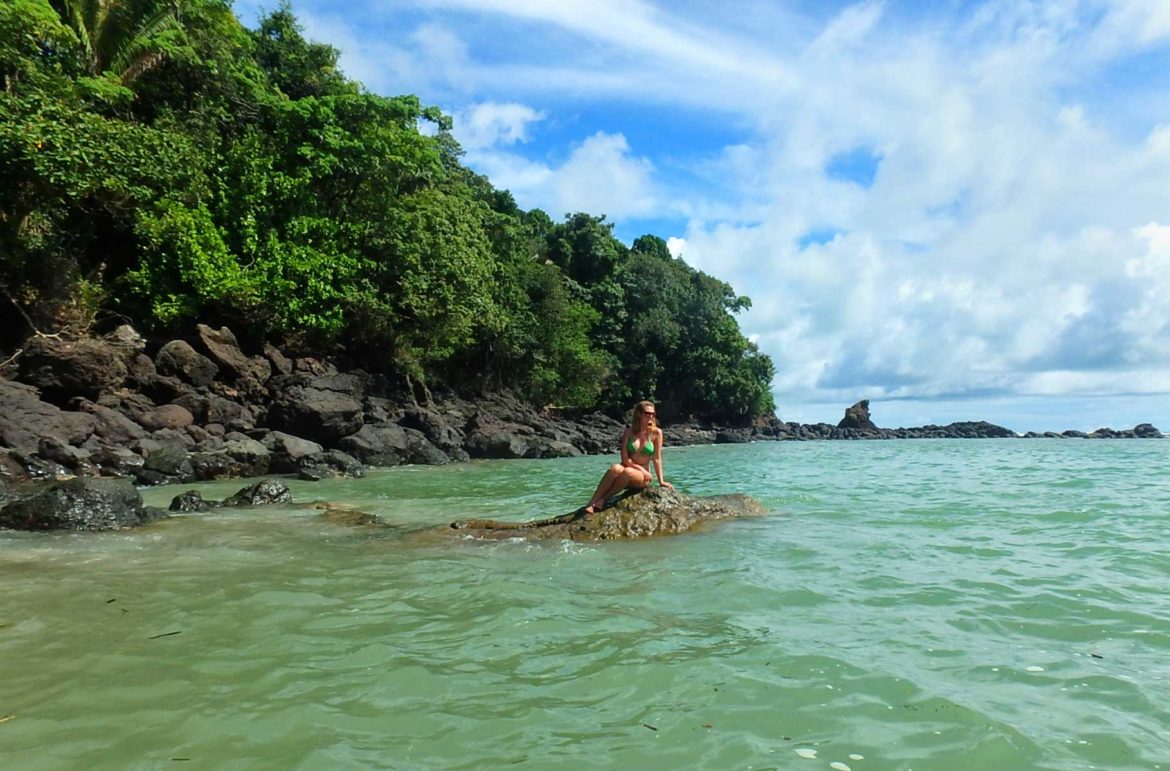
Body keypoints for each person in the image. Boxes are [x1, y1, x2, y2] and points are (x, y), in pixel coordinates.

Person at [584, 400, 674, 513]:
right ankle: (592, 501)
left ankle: (603, 499)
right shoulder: (628, 432)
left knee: (628, 472)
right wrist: (639, 468)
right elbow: (625, 459)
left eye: (652, 413)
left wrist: (661, 481)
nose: (650, 416)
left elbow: (656, 458)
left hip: (642, 476)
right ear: (639, 414)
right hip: (629, 467)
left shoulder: (656, 433)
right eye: (647, 413)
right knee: (614, 468)